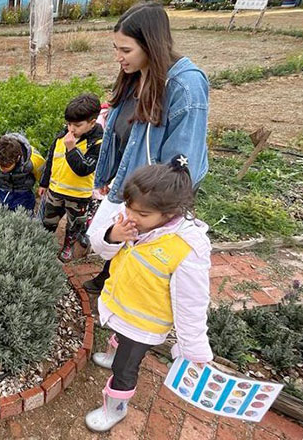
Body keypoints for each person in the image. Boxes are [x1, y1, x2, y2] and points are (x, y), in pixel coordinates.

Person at [82, 1, 210, 294]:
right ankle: (113, 277)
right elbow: (124, 134)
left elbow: (179, 163)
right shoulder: (135, 77)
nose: (118, 58)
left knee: (137, 245)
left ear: (151, 45)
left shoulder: (185, 87)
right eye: (116, 48)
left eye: (125, 50)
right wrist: (108, 175)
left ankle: (129, 299)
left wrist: (151, 205)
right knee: (113, 237)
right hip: (129, 180)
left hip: (154, 191)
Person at [84, 156, 213, 432]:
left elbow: (192, 304)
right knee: (116, 336)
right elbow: (101, 248)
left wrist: (193, 351)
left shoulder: (185, 249)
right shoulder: (130, 220)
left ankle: (115, 409)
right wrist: (112, 235)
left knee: (125, 369)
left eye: (142, 215)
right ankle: (111, 357)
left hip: (144, 324)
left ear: (170, 213)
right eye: (130, 207)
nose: (132, 216)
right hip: (122, 305)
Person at [38, 93, 105, 263]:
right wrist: (44, 183)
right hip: (55, 191)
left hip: (78, 197)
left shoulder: (97, 143)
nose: (71, 129)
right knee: (49, 221)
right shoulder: (63, 136)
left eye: (77, 125)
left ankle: (68, 246)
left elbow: (84, 169)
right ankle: (44, 243)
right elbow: (51, 159)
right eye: (68, 124)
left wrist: (72, 149)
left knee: (74, 224)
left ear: (92, 121)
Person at [0, 133, 45, 212]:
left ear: (17, 158)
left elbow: (43, 175)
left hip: (24, 193)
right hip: (3, 191)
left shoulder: (34, 159)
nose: (2, 169)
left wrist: (42, 186)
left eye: (5, 166)